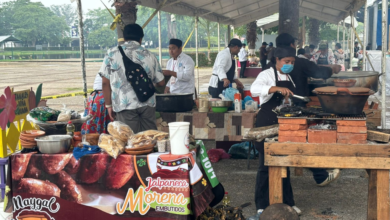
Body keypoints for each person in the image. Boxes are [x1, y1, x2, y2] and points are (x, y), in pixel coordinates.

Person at [272, 33, 341, 187]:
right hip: (296, 107)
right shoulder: (298, 62)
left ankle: (316, 174)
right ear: (291, 45)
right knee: (302, 139)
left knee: (286, 140)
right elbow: (319, 72)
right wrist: (333, 69)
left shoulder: (271, 62)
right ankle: (320, 175)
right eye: (294, 43)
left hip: (275, 108)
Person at [248, 46, 300, 220]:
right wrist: (275, 88)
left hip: (283, 123)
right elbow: (254, 89)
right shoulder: (266, 74)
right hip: (267, 122)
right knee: (265, 165)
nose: (289, 65)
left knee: (284, 163)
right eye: (286, 62)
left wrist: (287, 98)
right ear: (277, 60)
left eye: (292, 62)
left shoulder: (289, 76)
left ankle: (288, 203)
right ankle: (261, 206)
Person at [100, 24, 165, 133]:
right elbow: (161, 82)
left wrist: (109, 105)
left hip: (124, 104)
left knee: (129, 141)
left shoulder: (112, 54)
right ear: (141, 38)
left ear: (124, 38)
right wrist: (149, 84)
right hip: (147, 103)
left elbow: (105, 83)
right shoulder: (150, 55)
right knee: (149, 139)